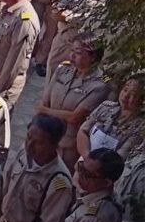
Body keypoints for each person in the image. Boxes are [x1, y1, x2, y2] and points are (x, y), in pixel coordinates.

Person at [36, 37, 110, 169]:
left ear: (92, 57)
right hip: (46, 134)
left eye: (78, 52)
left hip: (67, 144)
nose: (72, 55)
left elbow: (75, 117)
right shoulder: (63, 68)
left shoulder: (100, 84)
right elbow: (45, 99)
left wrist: (45, 111)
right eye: (72, 51)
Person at [78, 75, 144, 212]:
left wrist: (92, 167)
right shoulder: (106, 107)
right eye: (125, 90)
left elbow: (119, 158)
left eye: (133, 95)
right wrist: (86, 159)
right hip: (83, 168)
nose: (126, 97)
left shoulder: (140, 126)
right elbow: (83, 131)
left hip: (100, 180)